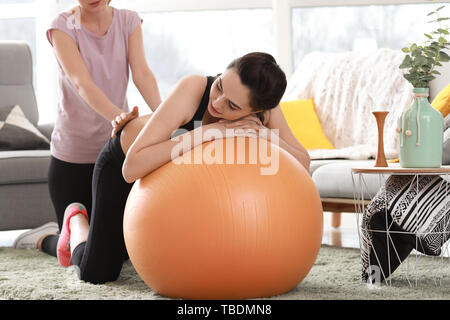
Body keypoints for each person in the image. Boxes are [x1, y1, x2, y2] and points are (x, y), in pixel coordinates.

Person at [24, 52, 310, 284]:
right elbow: (130, 167)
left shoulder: (266, 111)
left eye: (233, 106)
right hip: (122, 165)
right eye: (221, 85)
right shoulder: (194, 88)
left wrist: (263, 136)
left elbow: (303, 162)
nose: (218, 102)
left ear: (253, 111)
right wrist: (210, 133)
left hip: (165, 189)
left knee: (126, 252)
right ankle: (74, 221)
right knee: (97, 273)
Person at [13, 0, 161, 253]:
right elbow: (81, 82)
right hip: (72, 157)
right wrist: (118, 117)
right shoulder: (62, 26)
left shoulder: (128, 21)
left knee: (123, 250)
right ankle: (41, 238)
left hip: (113, 155)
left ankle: (61, 233)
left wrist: (166, 117)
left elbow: (142, 74)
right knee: (80, 250)